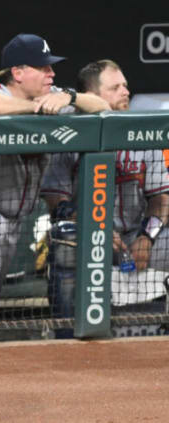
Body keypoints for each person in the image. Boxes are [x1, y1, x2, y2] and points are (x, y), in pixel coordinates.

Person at [0, 34, 110, 344]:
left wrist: (70, 98)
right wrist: (36, 108)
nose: (52, 74)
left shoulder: (55, 95)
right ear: (18, 72)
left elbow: (103, 106)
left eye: (51, 69)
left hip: (13, 212)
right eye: (44, 68)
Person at [40, 60, 169, 328]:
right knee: (65, 240)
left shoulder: (143, 133)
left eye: (126, 85)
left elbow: (161, 199)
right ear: (94, 97)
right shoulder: (70, 135)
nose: (126, 92)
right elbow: (56, 202)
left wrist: (148, 236)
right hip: (87, 238)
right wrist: (93, 228)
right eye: (115, 87)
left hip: (135, 236)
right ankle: (66, 335)